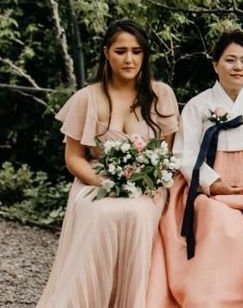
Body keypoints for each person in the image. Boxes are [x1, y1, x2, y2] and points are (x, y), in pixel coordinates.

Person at [37, 19, 180, 308]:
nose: (129, 59)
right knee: (99, 213)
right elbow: (74, 157)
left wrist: (144, 180)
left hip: (147, 185)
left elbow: (167, 153)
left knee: (137, 214)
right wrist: (105, 182)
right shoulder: (86, 98)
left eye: (137, 51)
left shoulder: (160, 95)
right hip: (95, 181)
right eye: (121, 51)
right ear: (106, 53)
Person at [147, 28, 243, 308]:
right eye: (230, 60)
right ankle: (212, 298)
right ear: (215, 64)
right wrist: (212, 183)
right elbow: (184, 154)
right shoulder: (199, 106)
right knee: (216, 220)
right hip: (214, 191)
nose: (238, 67)